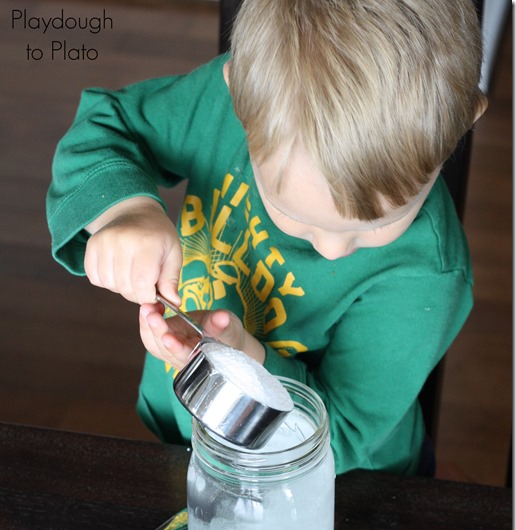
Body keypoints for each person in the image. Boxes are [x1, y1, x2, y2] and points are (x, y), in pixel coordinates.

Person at [46, 0, 487, 476]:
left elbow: (341, 432)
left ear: (465, 119)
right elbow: (108, 127)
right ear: (236, 99)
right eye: (295, 215)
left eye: (379, 223)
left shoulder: (425, 274)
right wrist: (126, 209)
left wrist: (249, 362)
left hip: (350, 488)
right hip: (197, 441)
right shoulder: (239, 105)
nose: (331, 249)